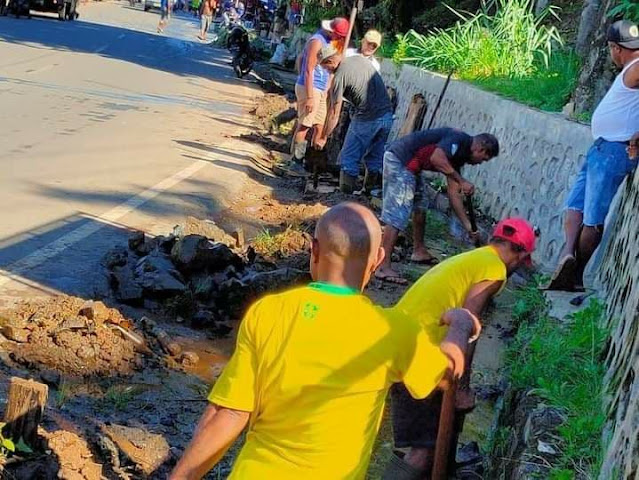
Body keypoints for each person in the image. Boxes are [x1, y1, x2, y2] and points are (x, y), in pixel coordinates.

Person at [169, 202, 478, 480]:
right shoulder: (394, 331)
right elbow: (447, 373)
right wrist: (460, 326)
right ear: (378, 259)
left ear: (314, 250)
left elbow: (229, 413)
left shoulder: (268, 313)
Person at [383, 217, 537, 480]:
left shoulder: (475, 259)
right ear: (521, 254)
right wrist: (462, 390)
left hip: (400, 339)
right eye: (522, 261)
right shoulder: (495, 271)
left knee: (426, 439)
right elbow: (468, 325)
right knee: (426, 447)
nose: (518, 267)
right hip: (422, 352)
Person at [545, 19, 639, 292]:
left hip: (614, 150)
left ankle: (575, 274)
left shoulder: (634, 68)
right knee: (576, 204)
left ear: (615, 48)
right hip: (601, 148)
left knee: (592, 217)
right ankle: (567, 255)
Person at [376, 128, 500, 284]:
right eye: (483, 159)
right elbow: (436, 158)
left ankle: (419, 250)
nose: (479, 164)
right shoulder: (458, 139)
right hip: (400, 160)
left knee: (421, 207)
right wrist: (462, 181)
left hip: (413, 167)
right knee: (397, 214)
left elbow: (454, 195)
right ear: (481, 149)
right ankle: (382, 265)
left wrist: (469, 227)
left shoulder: (458, 158)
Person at [317, 47, 394, 194]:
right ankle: (368, 193)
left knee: (349, 157)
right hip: (387, 116)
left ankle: (344, 196)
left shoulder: (340, 76)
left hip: (367, 118)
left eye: (325, 67)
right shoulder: (358, 59)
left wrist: (323, 137)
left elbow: (334, 113)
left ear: (331, 61)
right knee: (374, 157)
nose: (326, 71)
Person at [291, 17, 349, 166]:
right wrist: (310, 97)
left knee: (319, 127)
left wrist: (327, 90)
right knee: (305, 124)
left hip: (321, 88)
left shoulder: (329, 42)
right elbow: (308, 70)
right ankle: (295, 161)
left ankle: (310, 162)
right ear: (332, 31)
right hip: (309, 87)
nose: (339, 39)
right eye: (339, 36)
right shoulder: (317, 41)